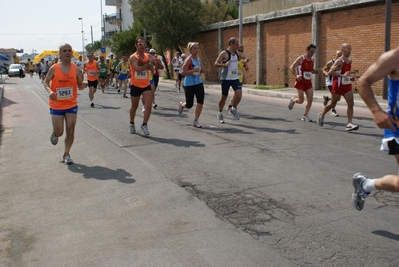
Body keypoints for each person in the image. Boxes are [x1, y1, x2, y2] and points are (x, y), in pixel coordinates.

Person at [351, 47, 399, 211]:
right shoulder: (393, 58)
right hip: (396, 129)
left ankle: (366, 184)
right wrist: (376, 111)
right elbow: (363, 81)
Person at [43, 43, 87, 165]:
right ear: (60, 54)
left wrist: (83, 84)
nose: (67, 52)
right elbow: (46, 82)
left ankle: (66, 154)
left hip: (71, 104)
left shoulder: (76, 69)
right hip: (56, 105)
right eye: (64, 50)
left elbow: (80, 86)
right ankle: (55, 133)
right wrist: (50, 91)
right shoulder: (54, 68)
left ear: (72, 53)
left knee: (71, 130)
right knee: (60, 132)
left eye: (69, 50)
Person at [317, 43, 359, 131]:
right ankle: (322, 114)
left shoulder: (350, 60)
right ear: (343, 50)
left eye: (350, 49)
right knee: (333, 104)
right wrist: (342, 75)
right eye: (348, 49)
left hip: (346, 86)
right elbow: (331, 72)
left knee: (351, 103)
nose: (349, 51)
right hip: (338, 85)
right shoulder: (339, 61)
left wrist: (349, 77)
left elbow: (346, 73)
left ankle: (349, 124)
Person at [214, 37, 248, 123]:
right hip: (226, 79)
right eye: (236, 45)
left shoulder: (237, 53)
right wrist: (225, 64)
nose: (238, 46)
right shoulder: (224, 53)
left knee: (239, 94)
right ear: (231, 44)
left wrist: (246, 61)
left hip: (235, 78)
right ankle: (220, 112)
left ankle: (233, 108)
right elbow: (216, 63)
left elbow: (245, 58)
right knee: (224, 97)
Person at [128, 37, 156, 136]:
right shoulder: (133, 57)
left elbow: (152, 69)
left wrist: (148, 64)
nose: (142, 46)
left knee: (148, 106)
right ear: (136, 45)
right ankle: (131, 123)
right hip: (135, 84)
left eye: (144, 44)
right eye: (140, 44)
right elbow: (138, 69)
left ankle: (144, 124)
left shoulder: (147, 56)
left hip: (146, 84)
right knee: (134, 107)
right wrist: (146, 64)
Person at [288, 44, 319, 122]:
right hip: (300, 82)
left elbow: (311, 70)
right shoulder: (301, 58)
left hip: (308, 83)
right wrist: (296, 75)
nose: (312, 53)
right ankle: (293, 101)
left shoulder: (312, 60)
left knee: (310, 99)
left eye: (314, 52)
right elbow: (292, 67)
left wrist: (317, 71)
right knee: (301, 101)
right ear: (307, 50)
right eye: (311, 51)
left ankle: (305, 115)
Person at [178, 42, 205, 128]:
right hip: (189, 84)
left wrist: (202, 72)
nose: (196, 50)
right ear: (190, 50)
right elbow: (182, 72)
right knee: (189, 104)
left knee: (200, 101)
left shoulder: (198, 60)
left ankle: (195, 120)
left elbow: (201, 69)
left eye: (197, 48)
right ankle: (182, 105)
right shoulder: (188, 60)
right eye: (194, 48)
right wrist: (193, 70)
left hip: (198, 83)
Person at [226, 44, 249, 114]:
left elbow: (246, 67)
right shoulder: (233, 58)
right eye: (239, 50)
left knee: (236, 94)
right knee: (237, 94)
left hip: (240, 78)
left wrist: (246, 66)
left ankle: (231, 106)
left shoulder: (242, 59)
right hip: (232, 78)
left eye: (242, 51)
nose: (240, 52)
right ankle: (232, 106)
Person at [322, 50, 342, 117]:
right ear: (335, 55)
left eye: (340, 55)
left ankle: (327, 99)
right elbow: (323, 69)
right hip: (330, 82)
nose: (339, 56)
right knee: (335, 97)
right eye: (338, 54)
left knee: (338, 98)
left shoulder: (342, 63)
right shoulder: (331, 62)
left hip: (338, 82)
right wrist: (326, 73)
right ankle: (333, 110)